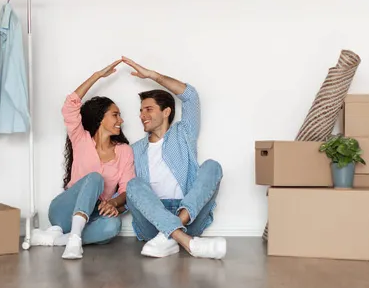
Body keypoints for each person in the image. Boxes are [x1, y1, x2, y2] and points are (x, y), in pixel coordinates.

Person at [121, 56, 226, 260]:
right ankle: (186, 242)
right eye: (141, 111)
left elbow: (191, 96)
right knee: (132, 184)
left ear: (167, 111)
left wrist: (153, 76)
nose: (142, 115)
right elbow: (128, 192)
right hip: (152, 219)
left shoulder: (183, 133)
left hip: (188, 213)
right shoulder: (134, 149)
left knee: (213, 166)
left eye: (148, 109)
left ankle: (169, 235)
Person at [31, 59, 135, 259]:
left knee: (113, 226)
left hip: (95, 214)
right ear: (100, 118)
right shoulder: (81, 139)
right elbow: (70, 105)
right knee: (95, 178)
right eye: (115, 115)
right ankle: (74, 239)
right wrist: (97, 76)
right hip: (64, 211)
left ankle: (61, 239)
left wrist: (112, 204)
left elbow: (126, 190)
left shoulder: (124, 151)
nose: (121, 120)